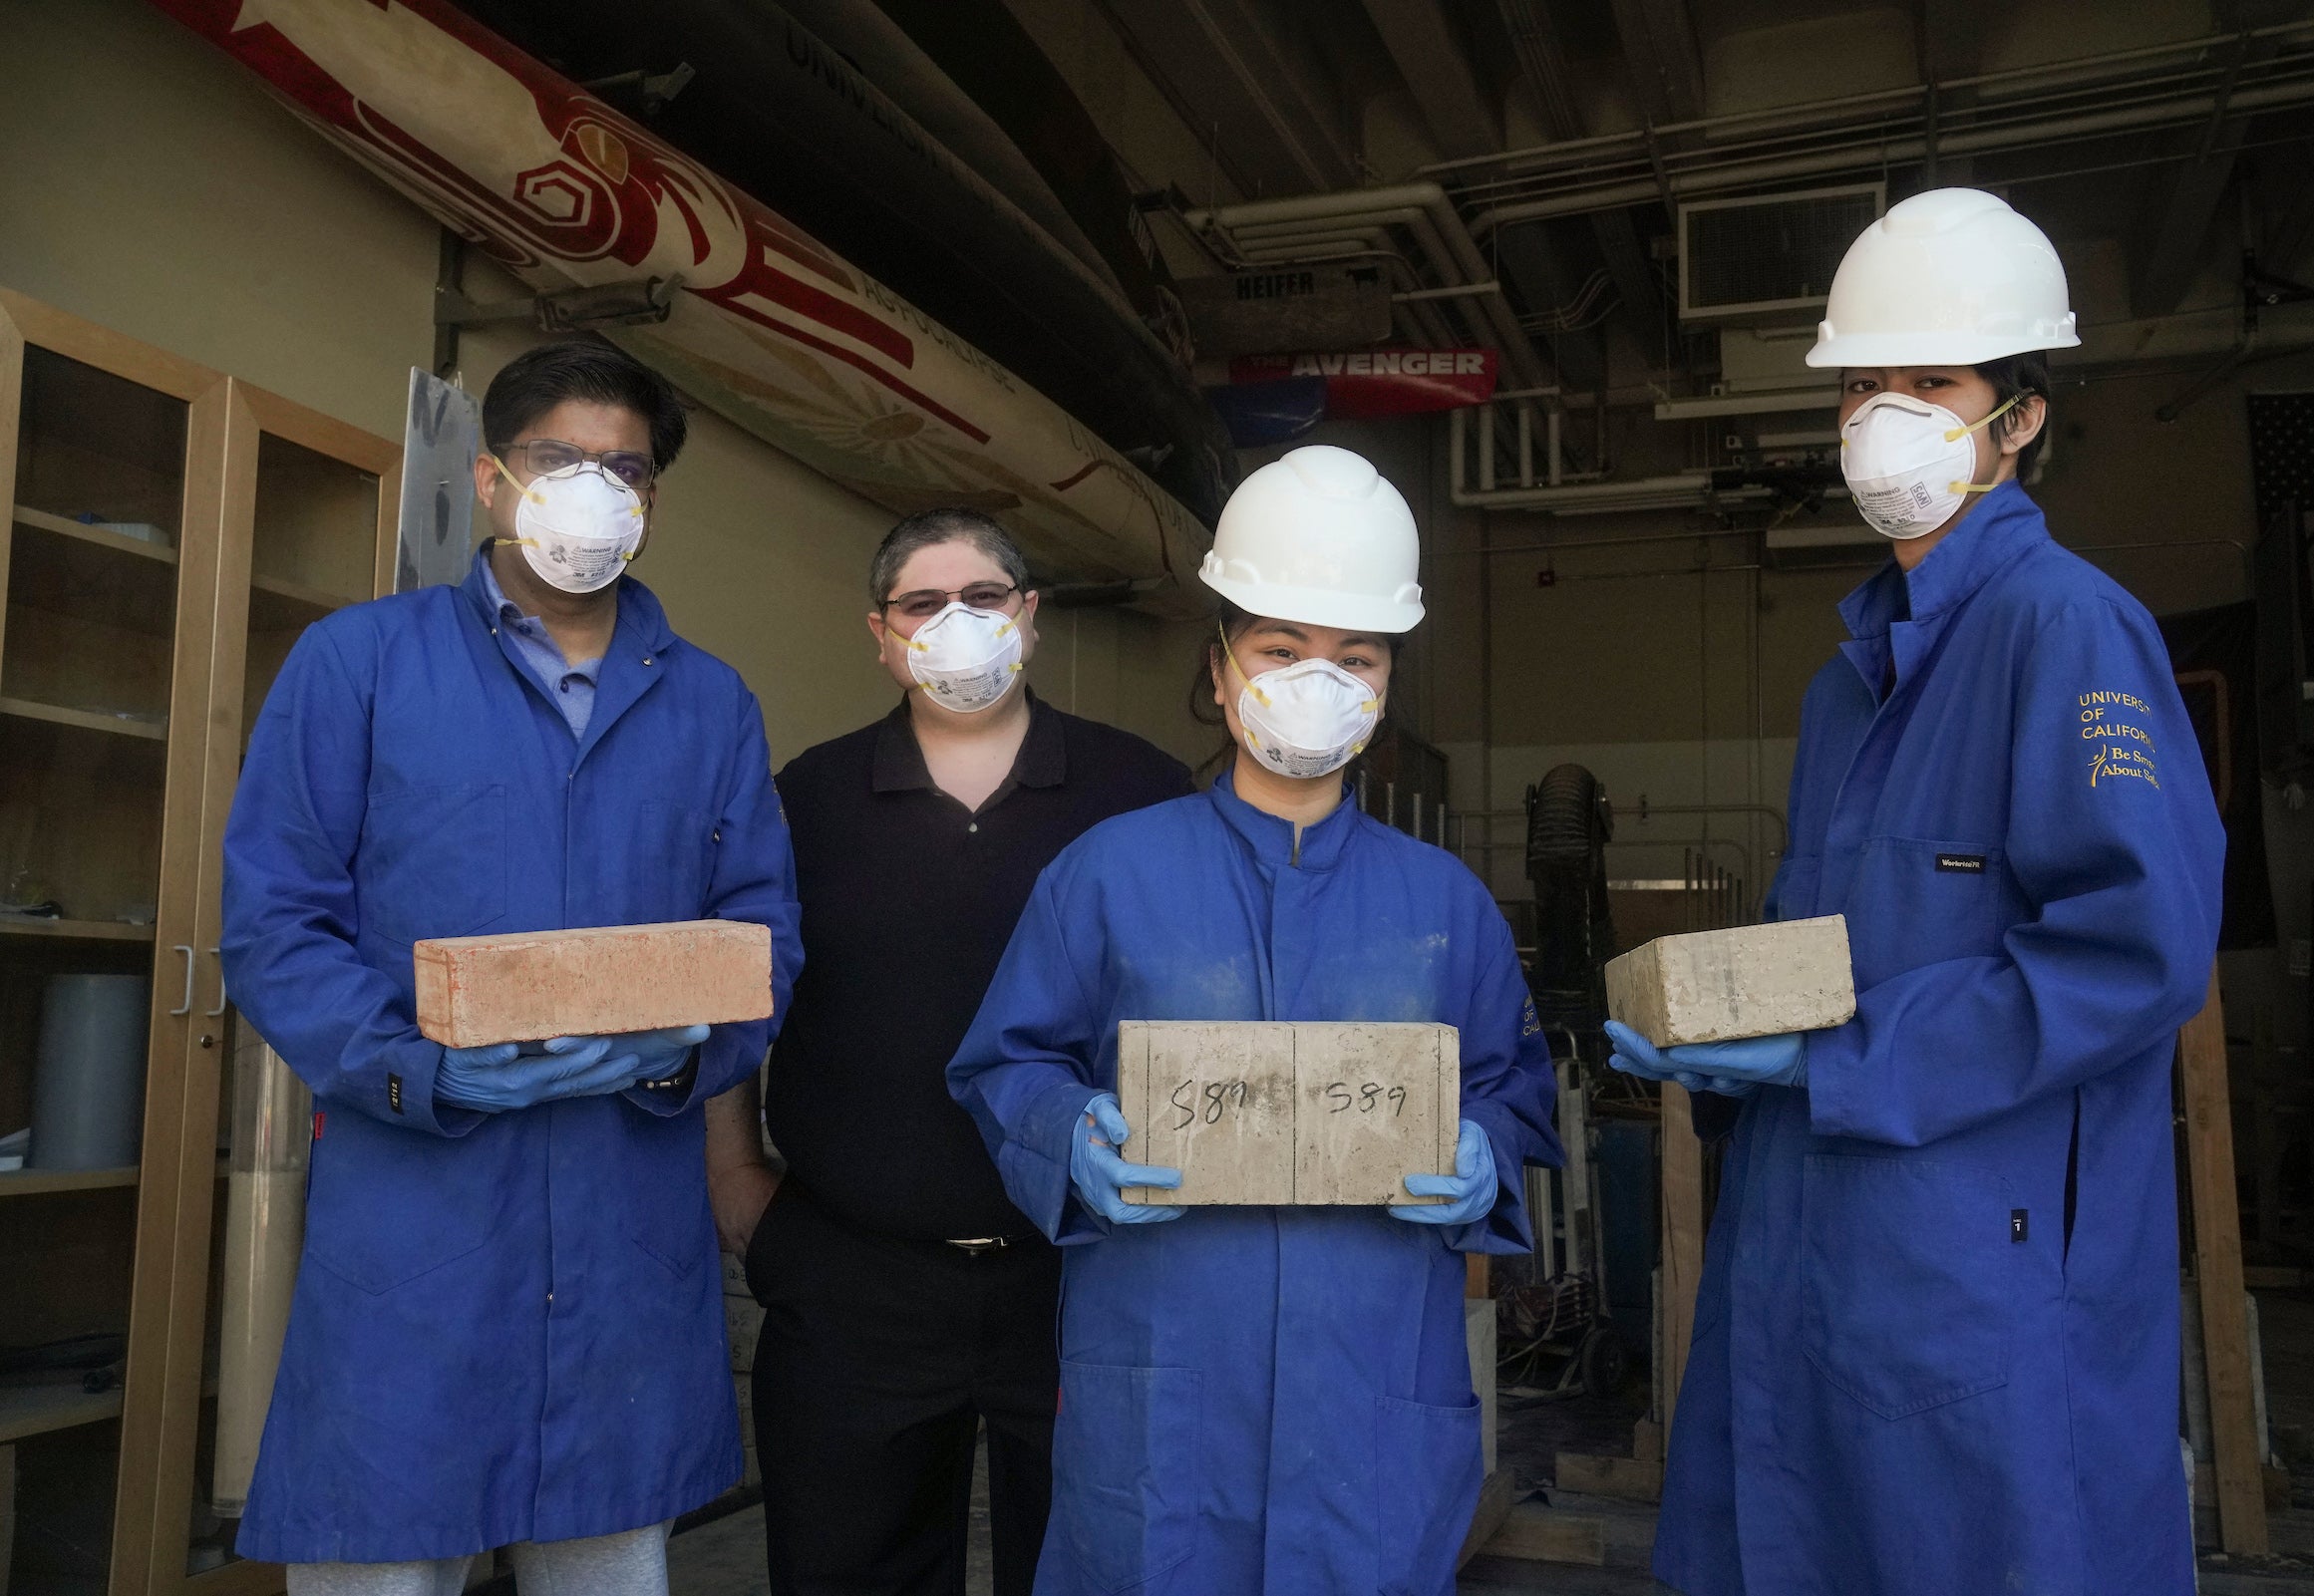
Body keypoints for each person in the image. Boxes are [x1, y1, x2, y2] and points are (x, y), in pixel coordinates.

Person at [1603, 188, 2226, 1596]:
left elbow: (2134, 955)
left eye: (1930, 383)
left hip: (1976, 1267)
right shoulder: (1851, 681)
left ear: (2020, 419)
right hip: (1811, 1244)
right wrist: (1725, 1038)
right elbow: (1830, 952)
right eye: (1861, 384)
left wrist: (1826, 1055)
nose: (1882, 416)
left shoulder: (2069, 629)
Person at [220, 338, 804, 1596]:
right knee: (384, 1549)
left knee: (607, 1546)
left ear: (652, 502)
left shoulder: (710, 704)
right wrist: (411, 1066)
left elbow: (763, 933)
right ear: (491, 479)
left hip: (620, 1237)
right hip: (417, 1225)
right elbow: (275, 921)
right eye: (558, 459)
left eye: (624, 469)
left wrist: (690, 1054)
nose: (593, 490)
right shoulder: (361, 663)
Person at [947, 444, 1564, 1595]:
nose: (1317, 680)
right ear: (1222, 668)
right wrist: (1071, 1135)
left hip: (1369, 1399)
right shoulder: (1107, 874)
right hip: (1168, 1394)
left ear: (1385, 683)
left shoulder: (1446, 905)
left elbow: (1514, 1088)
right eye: (1281, 649)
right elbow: (1004, 1063)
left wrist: (1486, 1149)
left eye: (1354, 656)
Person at [704, 508, 1190, 1596]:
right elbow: (734, 988)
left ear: (1030, 616)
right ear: (881, 635)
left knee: (1091, 1571)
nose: (955, 622)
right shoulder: (804, 800)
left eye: (983, 597)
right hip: (853, 1275)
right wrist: (732, 1170)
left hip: (1086, 1270)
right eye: (923, 603)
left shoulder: (1141, 791)